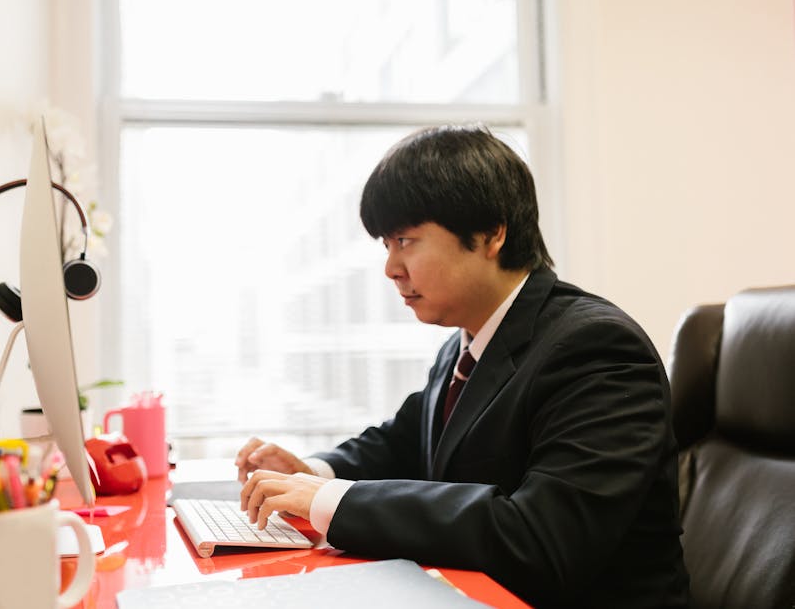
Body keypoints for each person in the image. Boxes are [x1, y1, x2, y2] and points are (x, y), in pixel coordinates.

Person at [235, 124, 689, 608]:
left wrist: (332, 502)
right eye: (386, 244)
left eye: (406, 241)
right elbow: (406, 441)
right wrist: (316, 472)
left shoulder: (597, 348)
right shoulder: (468, 341)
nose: (390, 267)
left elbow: (540, 538)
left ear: (491, 234)